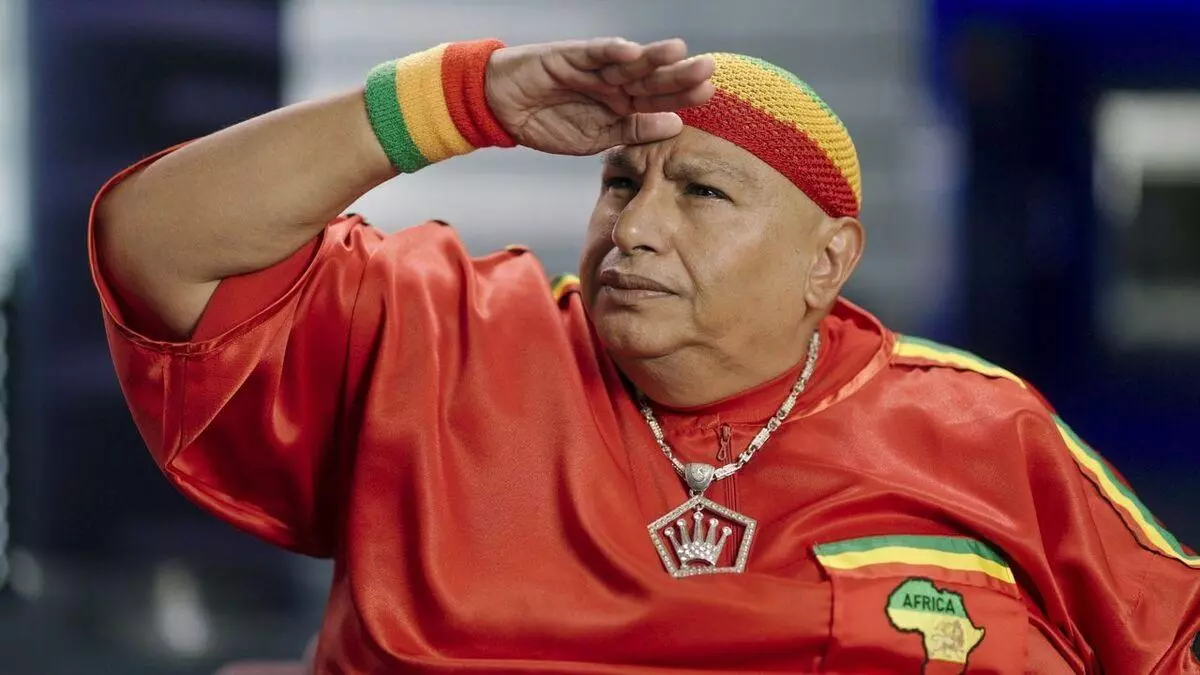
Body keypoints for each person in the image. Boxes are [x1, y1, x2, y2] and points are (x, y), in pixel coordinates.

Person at [88, 36, 1198, 674]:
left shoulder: (980, 430)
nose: (635, 227)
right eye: (621, 181)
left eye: (701, 192)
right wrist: (457, 98)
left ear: (829, 261)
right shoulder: (445, 337)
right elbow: (156, 247)